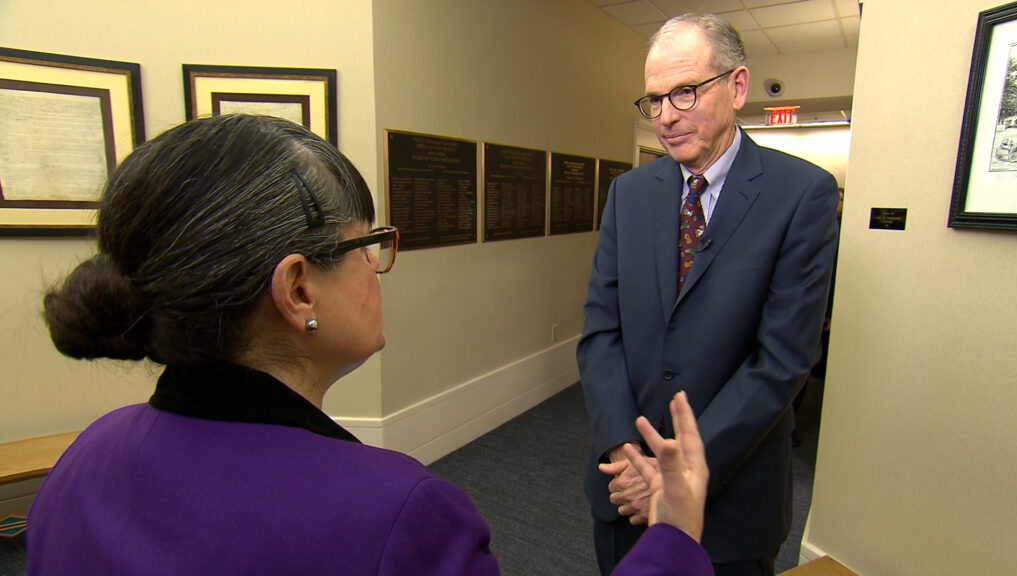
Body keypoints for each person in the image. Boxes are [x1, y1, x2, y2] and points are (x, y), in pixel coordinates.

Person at [28, 114, 714, 575]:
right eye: (368, 243)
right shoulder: (399, 515)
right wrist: (675, 537)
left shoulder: (87, 455)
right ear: (299, 290)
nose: (381, 265)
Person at [577, 14, 839, 576]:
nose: (667, 117)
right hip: (623, 490)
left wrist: (679, 474)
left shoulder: (802, 195)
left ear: (737, 87)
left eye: (685, 93)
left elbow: (782, 361)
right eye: (654, 100)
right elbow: (602, 332)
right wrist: (624, 449)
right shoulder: (628, 193)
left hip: (731, 501)